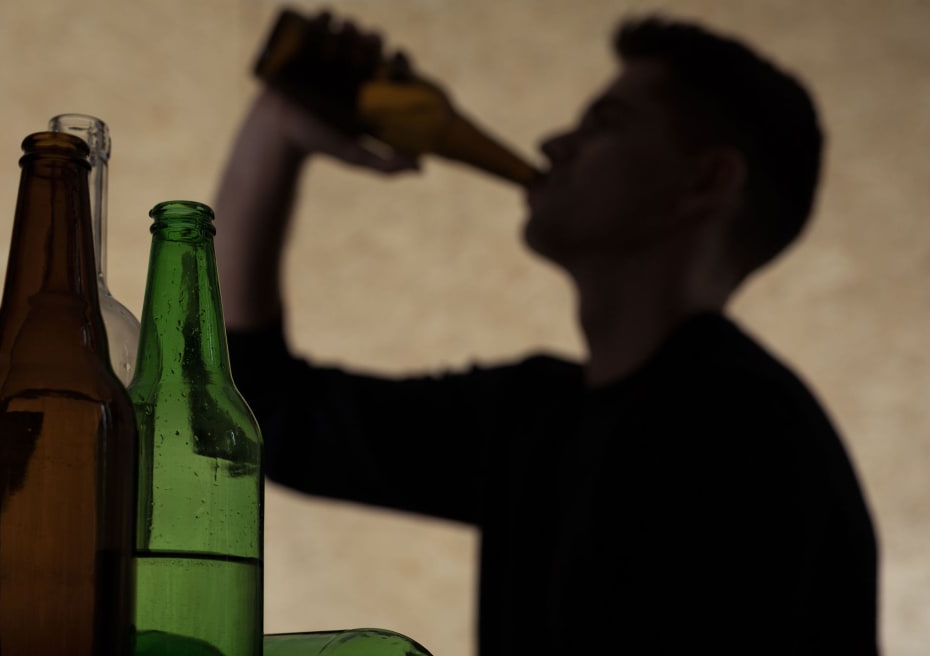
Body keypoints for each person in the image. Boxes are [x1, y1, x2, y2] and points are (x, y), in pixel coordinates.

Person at [214, 12, 879, 655]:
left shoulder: (746, 437)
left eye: (605, 124)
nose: (553, 145)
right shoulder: (534, 417)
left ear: (705, 181)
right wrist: (277, 127)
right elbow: (264, 414)